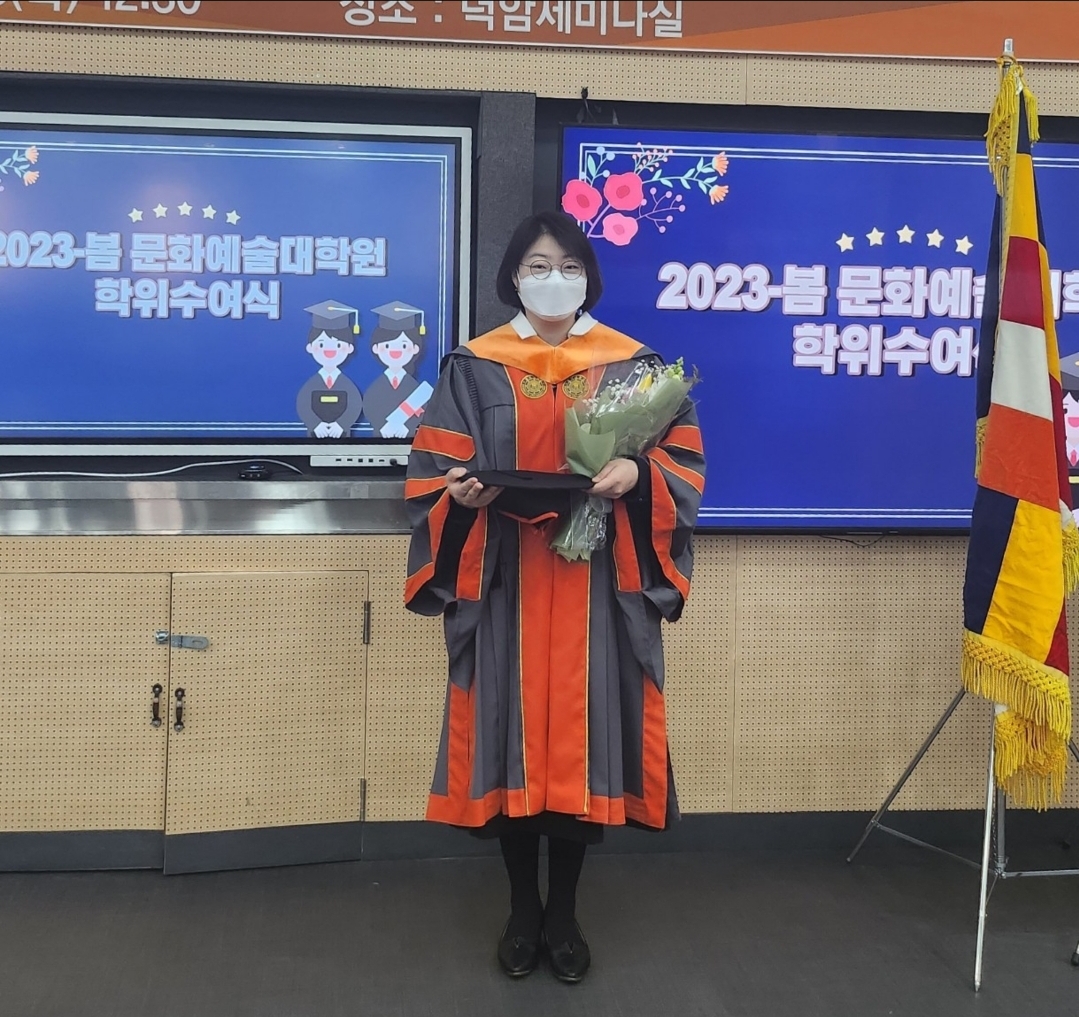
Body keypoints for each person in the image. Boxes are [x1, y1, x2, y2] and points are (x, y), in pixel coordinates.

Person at [404, 211, 705, 984]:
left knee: (578, 748)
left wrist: (638, 474)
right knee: (511, 740)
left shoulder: (633, 366)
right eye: (538, 265)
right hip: (505, 579)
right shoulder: (474, 366)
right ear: (513, 276)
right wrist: (458, 493)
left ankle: (563, 913)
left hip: (594, 584)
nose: (553, 278)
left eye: (568, 265)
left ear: (588, 277)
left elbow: (682, 463)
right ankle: (520, 910)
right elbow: (432, 470)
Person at [363, 301, 432, 438]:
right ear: (376, 348)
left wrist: (408, 426)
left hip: (408, 438)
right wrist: (381, 425)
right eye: (387, 346)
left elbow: (422, 408)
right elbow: (370, 406)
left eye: (404, 346)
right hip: (379, 437)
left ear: (415, 348)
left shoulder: (414, 388)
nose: (395, 351)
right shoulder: (376, 386)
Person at [296, 300, 364, 438]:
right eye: (321, 345)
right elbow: (303, 405)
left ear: (350, 348)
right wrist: (316, 425)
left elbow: (354, 405)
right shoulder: (312, 384)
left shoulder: (347, 384)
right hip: (314, 437)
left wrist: (341, 425)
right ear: (310, 347)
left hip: (343, 437)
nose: (330, 350)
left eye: (338, 345)